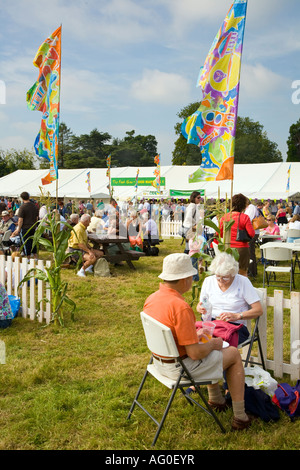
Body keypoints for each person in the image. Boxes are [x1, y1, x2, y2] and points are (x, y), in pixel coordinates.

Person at [143, 253, 252, 430]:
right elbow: (195, 353)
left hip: (159, 363)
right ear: (185, 279)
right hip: (180, 368)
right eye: (192, 276)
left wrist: (197, 336)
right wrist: (213, 344)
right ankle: (240, 416)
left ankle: (216, 399)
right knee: (231, 353)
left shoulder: (152, 298)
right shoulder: (180, 307)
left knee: (206, 344)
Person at [197, 252, 263, 345]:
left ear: (233, 274)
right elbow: (201, 304)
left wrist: (237, 316)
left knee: (213, 345)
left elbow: (258, 310)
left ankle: (220, 358)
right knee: (196, 340)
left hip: (234, 327)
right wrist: (199, 308)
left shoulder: (242, 282)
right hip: (210, 324)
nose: (221, 280)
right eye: (218, 276)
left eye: (225, 278)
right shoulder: (209, 281)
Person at [220, 193, 255, 277]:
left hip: (228, 248)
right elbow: (252, 234)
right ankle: (243, 289)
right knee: (243, 273)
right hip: (241, 248)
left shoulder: (224, 217)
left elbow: (220, 234)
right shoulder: (244, 217)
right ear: (243, 205)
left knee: (228, 273)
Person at [11, 192, 39, 259]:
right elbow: (37, 218)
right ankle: (36, 257)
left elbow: (20, 220)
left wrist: (19, 229)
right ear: (28, 197)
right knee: (33, 242)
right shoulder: (34, 206)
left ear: (22, 198)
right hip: (33, 227)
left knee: (26, 243)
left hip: (25, 227)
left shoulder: (22, 207)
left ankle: (28, 258)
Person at [245, 199, 260, 278]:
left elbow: (248, 219)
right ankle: (252, 271)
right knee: (250, 252)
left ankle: (252, 272)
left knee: (250, 252)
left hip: (252, 232)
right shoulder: (250, 208)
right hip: (252, 232)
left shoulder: (251, 208)